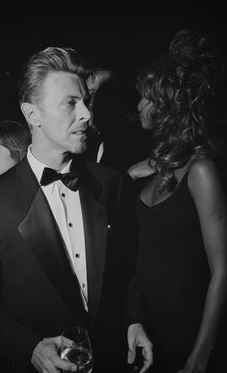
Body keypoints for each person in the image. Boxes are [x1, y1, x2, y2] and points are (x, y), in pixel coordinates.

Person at [0, 46, 152, 373]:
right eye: (70, 103)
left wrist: (133, 320)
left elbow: (125, 266)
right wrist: (30, 348)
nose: (87, 114)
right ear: (32, 114)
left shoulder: (111, 183)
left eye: (86, 101)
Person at [127, 29, 227, 373]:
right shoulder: (147, 169)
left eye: (145, 97)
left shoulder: (201, 170)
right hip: (149, 336)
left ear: (168, 105)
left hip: (192, 337)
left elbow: (224, 270)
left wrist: (199, 359)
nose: (138, 104)